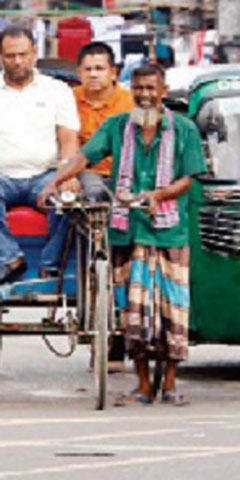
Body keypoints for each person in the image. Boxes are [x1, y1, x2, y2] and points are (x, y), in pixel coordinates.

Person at [39, 63, 206, 407]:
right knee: (134, 313)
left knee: (173, 312)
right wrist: (55, 181)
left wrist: (157, 196)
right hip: (127, 230)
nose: (145, 95)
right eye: (139, 89)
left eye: (151, 89)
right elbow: (85, 156)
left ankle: (171, 382)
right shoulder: (117, 126)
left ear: (163, 90)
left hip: (170, 232)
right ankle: (143, 384)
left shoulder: (185, 129)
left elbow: (188, 179)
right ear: (132, 91)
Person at [0, 26, 81, 285]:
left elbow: (69, 139)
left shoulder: (57, 90)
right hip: (0, 177)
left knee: (69, 198)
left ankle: (50, 263)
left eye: (23, 55)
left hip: (46, 175)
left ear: (34, 54)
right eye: (10, 56)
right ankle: (10, 258)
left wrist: (64, 174)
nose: (17, 62)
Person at [73, 42, 134, 201]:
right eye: (88, 69)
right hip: (85, 172)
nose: (93, 75)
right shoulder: (68, 99)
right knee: (94, 193)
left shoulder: (131, 102)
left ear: (113, 72)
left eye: (100, 69)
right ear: (79, 73)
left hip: (124, 174)